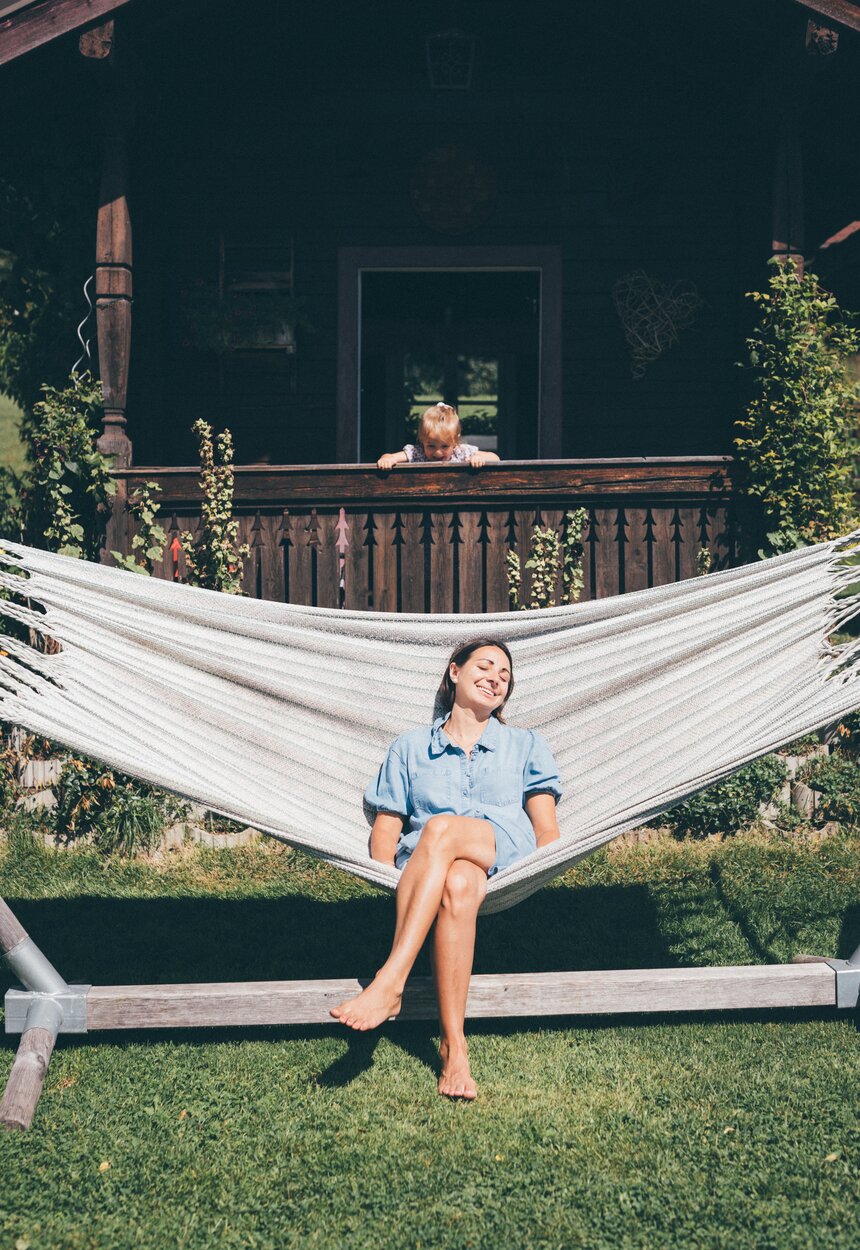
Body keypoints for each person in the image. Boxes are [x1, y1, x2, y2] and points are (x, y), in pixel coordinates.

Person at [330, 639, 562, 1100]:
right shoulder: (411, 747)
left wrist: (544, 869)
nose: (496, 677)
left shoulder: (525, 744)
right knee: (456, 883)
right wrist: (390, 878)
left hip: (500, 848)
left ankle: (390, 981)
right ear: (454, 672)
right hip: (430, 867)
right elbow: (387, 829)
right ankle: (455, 1048)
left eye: (505, 674)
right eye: (485, 666)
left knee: (439, 828)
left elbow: (546, 829)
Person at [376, 402, 501, 470]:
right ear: (421, 440)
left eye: (445, 446)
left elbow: (495, 458)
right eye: (431, 446)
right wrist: (387, 459)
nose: (437, 453)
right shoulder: (417, 452)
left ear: (455, 442)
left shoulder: (461, 452)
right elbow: (390, 456)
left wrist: (480, 459)